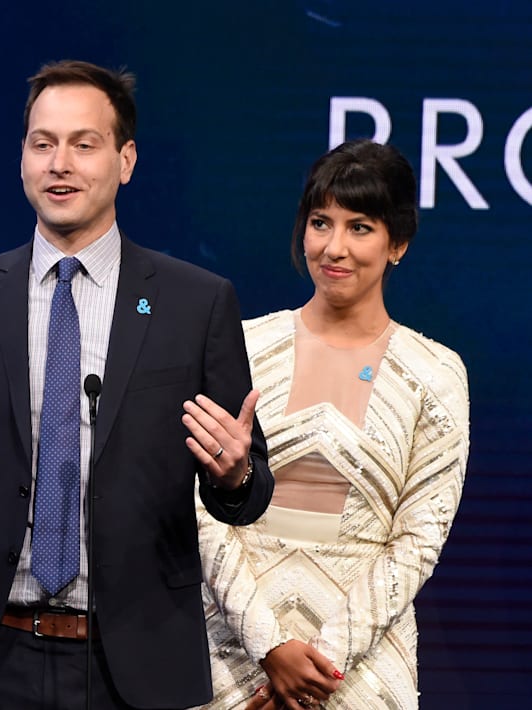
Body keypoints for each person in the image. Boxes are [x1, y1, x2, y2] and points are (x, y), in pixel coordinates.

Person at [0, 59, 275, 709]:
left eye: (84, 145)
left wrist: (234, 475)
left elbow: (247, 495)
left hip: (132, 668)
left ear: (125, 160)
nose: (60, 164)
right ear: (22, 159)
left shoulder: (195, 304)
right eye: (42, 144)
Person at [196, 140, 470, 710]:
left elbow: (418, 541)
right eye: (321, 223)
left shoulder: (436, 374)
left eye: (360, 227)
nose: (334, 247)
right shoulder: (239, 346)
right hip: (229, 661)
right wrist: (268, 647)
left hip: (360, 673)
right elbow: (197, 508)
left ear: (398, 243)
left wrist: (319, 668)